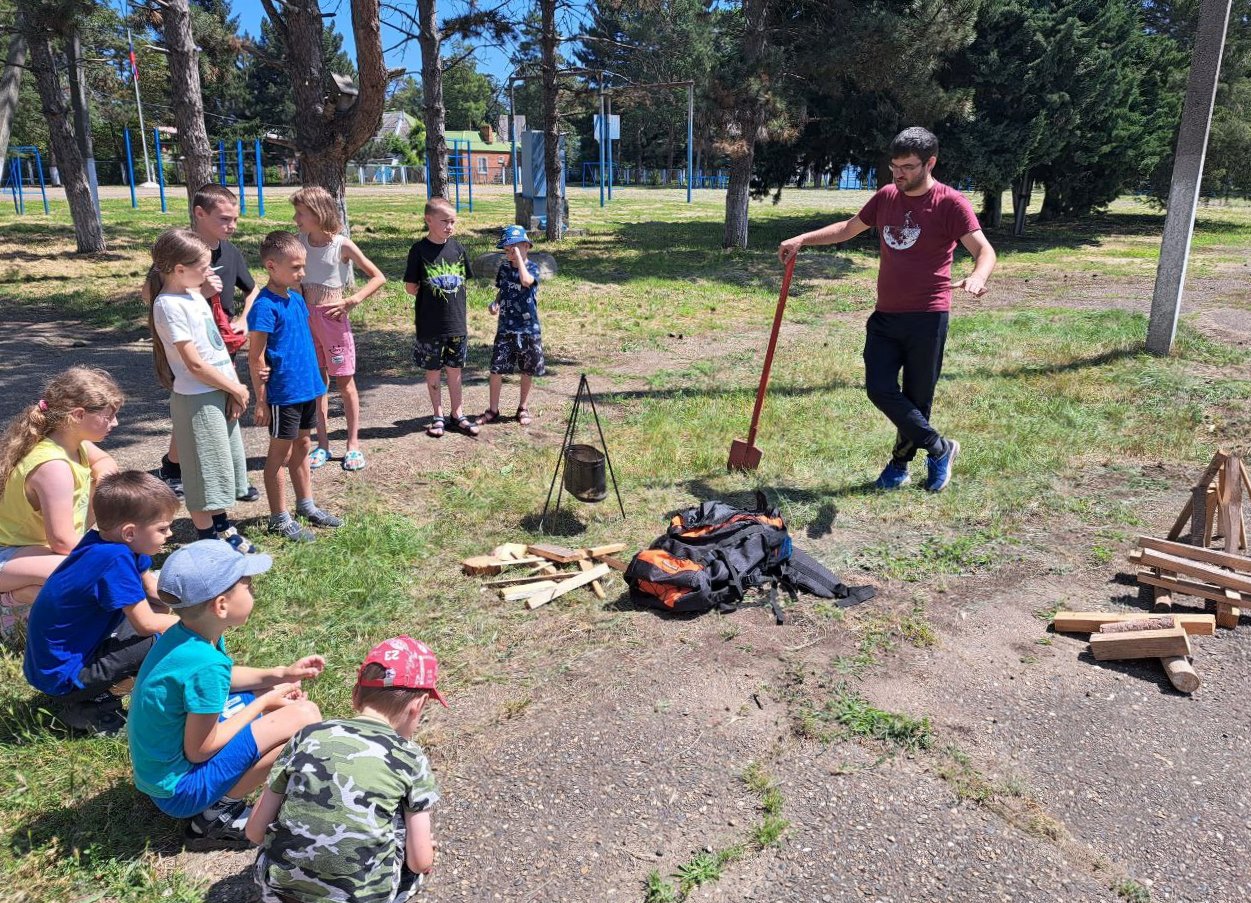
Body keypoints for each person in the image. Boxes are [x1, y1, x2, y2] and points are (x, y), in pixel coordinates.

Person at [778, 126, 997, 493]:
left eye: (908, 167)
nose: (898, 174)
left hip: (928, 316)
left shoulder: (950, 203)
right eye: (894, 166)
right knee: (879, 388)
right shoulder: (886, 196)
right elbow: (849, 228)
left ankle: (899, 466)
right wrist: (803, 238)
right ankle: (941, 448)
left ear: (930, 163)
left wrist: (977, 275)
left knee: (916, 398)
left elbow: (984, 250)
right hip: (885, 316)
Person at [128, 540, 324, 843]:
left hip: (162, 775)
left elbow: (225, 679)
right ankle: (216, 814)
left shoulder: (187, 635)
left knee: (277, 696)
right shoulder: (205, 664)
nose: (254, 592)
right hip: (180, 789)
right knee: (304, 717)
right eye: (248, 586)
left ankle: (223, 800)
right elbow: (200, 750)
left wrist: (280, 675)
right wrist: (263, 704)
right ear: (221, 605)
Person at [246, 635, 443, 903]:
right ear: (417, 705)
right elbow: (421, 862)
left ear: (355, 695)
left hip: (279, 893)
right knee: (400, 823)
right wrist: (422, 852)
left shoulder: (307, 736)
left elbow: (255, 832)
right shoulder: (410, 757)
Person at [23, 471, 179, 734]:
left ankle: (97, 694)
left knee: (160, 622)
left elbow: (153, 590)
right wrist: (192, 621)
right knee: (158, 638)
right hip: (62, 677)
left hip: (50, 666)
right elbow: (146, 624)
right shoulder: (114, 559)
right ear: (130, 532)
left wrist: (187, 603)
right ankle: (93, 705)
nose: (170, 533)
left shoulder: (109, 542)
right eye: (162, 528)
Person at [147, 228, 257, 553]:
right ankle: (208, 538)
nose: (209, 273)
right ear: (179, 269)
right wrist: (235, 388)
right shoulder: (168, 305)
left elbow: (215, 350)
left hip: (218, 391)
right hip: (197, 398)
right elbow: (194, 365)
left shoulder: (192, 294)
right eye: (204, 267)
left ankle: (222, 526)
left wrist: (232, 390)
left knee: (218, 466)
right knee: (201, 473)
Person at [158, 183, 261, 504]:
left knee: (224, 410)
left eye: (235, 219)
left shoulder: (230, 252)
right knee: (195, 412)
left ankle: (230, 479)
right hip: (191, 346)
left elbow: (252, 289)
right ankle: (175, 469)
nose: (232, 226)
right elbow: (154, 295)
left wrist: (243, 320)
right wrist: (199, 295)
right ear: (199, 214)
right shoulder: (181, 252)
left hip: (221, 344)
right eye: (225, 219)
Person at [0, 367, 122, 636]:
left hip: (32, 554)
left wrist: (103, 483)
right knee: (93, 573)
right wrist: (113, 552)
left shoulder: (72, 442)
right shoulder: (53, 465)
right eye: (109, 416)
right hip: (8, 558)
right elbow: (63, 542)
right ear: (78, 415)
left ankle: (29, 600)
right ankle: (10, 605)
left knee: (100, 572)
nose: (115, 423)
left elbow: (104, 462)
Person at [247, 231, 342, 543]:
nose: (302, 273)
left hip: (306, 388)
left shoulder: (297, 299)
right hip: (283, 393)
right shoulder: (264, 306)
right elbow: (256, 356)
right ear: (272, 266)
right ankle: (279, 517)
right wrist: (261, 400)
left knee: (302, 445)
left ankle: (306, 505)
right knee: (280, 453)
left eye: (303, 267)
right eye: (296, 267)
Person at [291, 186, 386, 472]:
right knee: (318, 386)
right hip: (307, 322)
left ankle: (353, 445)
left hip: (333, 322)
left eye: (301, 213)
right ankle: (323, 444)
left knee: (345, 385)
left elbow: (377, 277)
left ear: (319, 214)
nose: (296, 218)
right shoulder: (299, 242)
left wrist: (352, 300)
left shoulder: (342, 245)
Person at [403, 197, 478, 439]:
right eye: (445, 221)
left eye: (453, 221)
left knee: (455, 370)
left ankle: (457, 414)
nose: (450, 226)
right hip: (429, 324)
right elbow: (410, 287)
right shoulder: (418, 250)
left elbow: (464, 278)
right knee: (433, 370)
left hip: (456, 323)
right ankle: (438, 415)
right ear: (429, 220)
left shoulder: (458, 248)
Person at [478, 225, 545, 428]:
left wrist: (519, 259)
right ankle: (493, 409)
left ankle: (522, 407)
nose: (510, 254)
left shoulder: (532, 268)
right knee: (496, 369)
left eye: (514, 249)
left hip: (528, 329)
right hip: (506, 328)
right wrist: (496, 303)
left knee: (527, 369)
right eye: (507, 251)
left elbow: (526, 281)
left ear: (527, 246)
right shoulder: (505, 269)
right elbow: (502, 290)